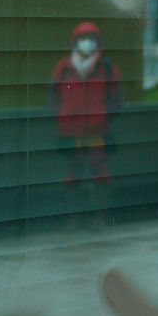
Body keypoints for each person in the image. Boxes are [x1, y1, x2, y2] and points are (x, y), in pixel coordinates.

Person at [49, 22, 122, 225]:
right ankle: (74, 216)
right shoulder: (64, 67)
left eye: (91, 39)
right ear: (75, 42)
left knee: (101, 173)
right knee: (73, 174)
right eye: (83, 39)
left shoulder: (106, 67)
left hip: (97, 131)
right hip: (71, 132)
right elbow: (53, 94)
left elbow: (117, 97)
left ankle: (100, 216)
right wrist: (62, 117)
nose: (87, 43)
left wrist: (105, 117)